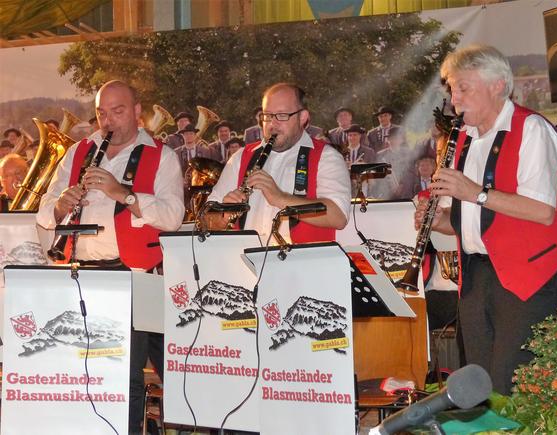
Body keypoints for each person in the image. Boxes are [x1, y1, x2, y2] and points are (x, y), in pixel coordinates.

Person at [416, 44, 557, 395]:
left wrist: (475, 192)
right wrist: (437, 219)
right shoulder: (463, 138)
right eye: (452, 89)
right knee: (479, 383)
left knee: (512, 383)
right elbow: (468, 220)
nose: (454, 99)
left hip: (527, 274)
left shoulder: (531, 129)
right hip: (476, 275)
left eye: (463, 88)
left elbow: (542, 210)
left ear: (497, 85)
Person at [36, 80, 184, 433]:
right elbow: (44, 209)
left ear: (137, 112)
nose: (108, 121)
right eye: (102, 113)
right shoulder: (79, 151)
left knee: (124, 376)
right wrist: (60, 205)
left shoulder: (161, 156)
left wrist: (124, 194)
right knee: (80, 370)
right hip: (79, 273)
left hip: (130, 276)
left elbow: (172, 216)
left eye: (118, 111)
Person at [207, 82, 351, 243]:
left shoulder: (327, 157)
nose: (272, 124)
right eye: (267, 116)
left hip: (302, 259)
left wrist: (280, 198)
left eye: (282, 115)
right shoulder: (241, 157)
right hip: (245, 258)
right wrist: (224, 215)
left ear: (303, 117)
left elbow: (338, 216)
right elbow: (206, 220)